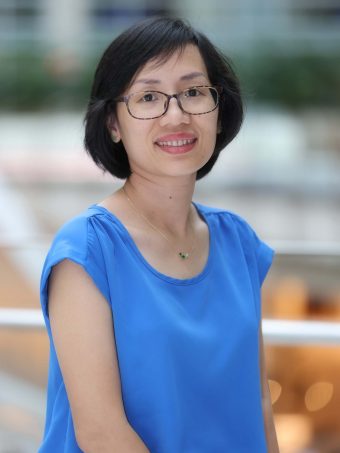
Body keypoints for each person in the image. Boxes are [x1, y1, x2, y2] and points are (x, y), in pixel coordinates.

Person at [38, 16, 279, 453]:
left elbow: (258, 404)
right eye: (149, 97)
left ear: (219, 111)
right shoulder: (87, 250)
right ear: (112, 123)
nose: (176, 115)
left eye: (193, 92)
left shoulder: (238, 241)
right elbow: (100, 433)